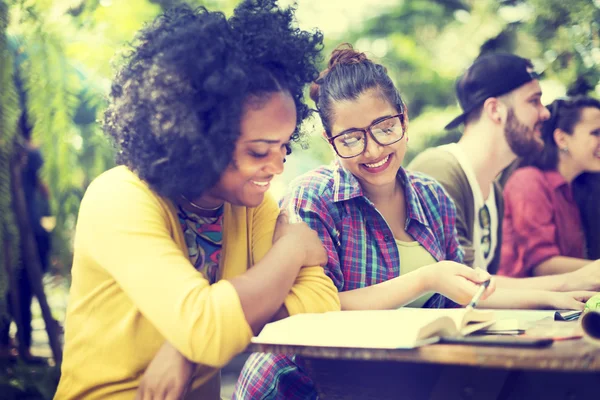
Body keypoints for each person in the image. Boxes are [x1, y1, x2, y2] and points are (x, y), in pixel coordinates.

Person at [233, 45, 593, 400]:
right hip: (301, 389)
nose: (373, 150)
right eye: (352, 138)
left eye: (385, 127)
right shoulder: (313, 198)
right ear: (330, 141)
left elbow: (466, 291)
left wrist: (556, 297)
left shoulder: (431, 196)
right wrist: (425, 278)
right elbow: (311, 310)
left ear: (403, 118)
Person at [53, 2, 341, 399]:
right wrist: (291, 250)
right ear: (199, 140)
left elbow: (318, 302)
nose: (277, 167)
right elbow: (209, 330)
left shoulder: (251, 204)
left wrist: (185, 346)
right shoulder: (118, 198)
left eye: (284, 147)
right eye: (259, 152)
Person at [408, 52, 600, 292]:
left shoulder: (494, 191)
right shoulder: (439, 170)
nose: (546, 113)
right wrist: (574, 281)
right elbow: (460, 290)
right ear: (495, 110)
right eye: (533, 101)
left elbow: (486, 284)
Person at [499, 96, 600, 277]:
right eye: (596, 132)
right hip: (518, 303)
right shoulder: (528, 182)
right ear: (562, 139)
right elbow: (542, 265)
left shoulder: (574, 187)